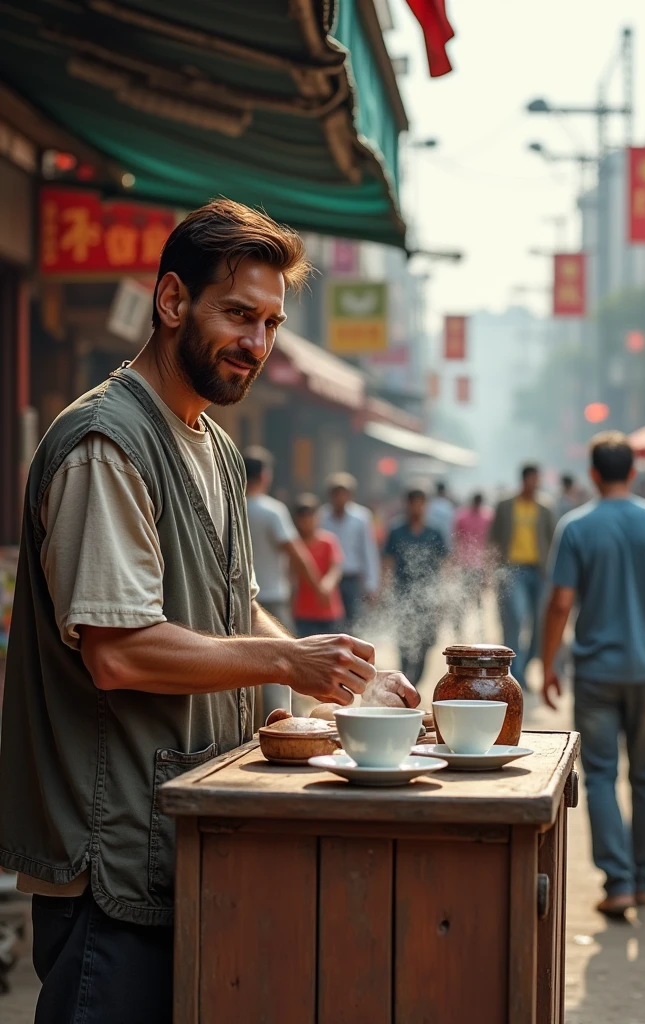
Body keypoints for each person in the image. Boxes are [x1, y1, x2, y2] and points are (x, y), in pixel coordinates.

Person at [0, 198, 418, 1024]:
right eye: (237, 314)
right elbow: (118, 653)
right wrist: (287, 663)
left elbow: (236, 615)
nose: (255, 345)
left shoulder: (215, 447)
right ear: (171, 302)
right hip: (110, 857)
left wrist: (339, 677)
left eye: (269, 323)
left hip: (185, 836)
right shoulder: (106, 445)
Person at [541, 432, 645, 918]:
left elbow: (561, 602)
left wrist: (547, 663)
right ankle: (644, 879)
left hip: (597, 674)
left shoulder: (576, 527)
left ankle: (618, 881)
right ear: (632, 472)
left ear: (595, 474)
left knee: (601, 774)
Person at [243, 445, 325, 718]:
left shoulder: (232, 506)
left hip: (240, 600)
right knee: (281, 662)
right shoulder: (272, 510)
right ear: (265, 476)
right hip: (272, 599)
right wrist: (318, 588)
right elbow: (297, 554)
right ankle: (279, 722)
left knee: (243, 663)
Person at [490, 464, 555, 689]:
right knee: (515, 618)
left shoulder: (545, 508)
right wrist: (493, 571)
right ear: (524, 480)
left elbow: (551, 539)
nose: (535, 484)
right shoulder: (506, 505)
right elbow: (494, 539)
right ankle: (514, 674)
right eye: (532, 479)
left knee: (539, 623)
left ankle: (524, 668)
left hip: (539, 570)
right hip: (512, 569)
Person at [383, 488, 448, 687]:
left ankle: (415, 681)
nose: (416, 508)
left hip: (429, 596)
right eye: (413, 503)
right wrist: (385, 592)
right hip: (402, 594)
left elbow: (445, 565)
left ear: (425, 505)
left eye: (420, 503)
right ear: (407, 505)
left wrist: (443, 596)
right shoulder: (396, 531)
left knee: (426, 642)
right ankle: (405, 680)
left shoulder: (435, 532)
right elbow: (387, 563)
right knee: (404, 641)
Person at [320, 473, 380, 631]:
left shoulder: (361, 517)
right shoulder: (322, 516)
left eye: (343, 494)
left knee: (352, 623)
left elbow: (368, 551)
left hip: (351, 578)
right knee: (330, 624)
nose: (339, 498)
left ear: (350, 495)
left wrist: (371, 584)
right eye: (336, 494)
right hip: (328, 580)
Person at [292, 494, 344, 637]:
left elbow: (336, 568)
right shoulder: (294, 544)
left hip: (328, 608)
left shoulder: (328, 541)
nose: (307, 522)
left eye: (310, 516)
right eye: (303, 518)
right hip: (303, 610)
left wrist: (327, 585)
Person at [453, 492, 494, 627]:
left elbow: (456, 538)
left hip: (472, 563)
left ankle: (471, 626)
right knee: (472, 597)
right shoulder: (487, 516)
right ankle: (474, 626)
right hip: (472, 563)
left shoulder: (463, 515)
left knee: (471, 597)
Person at [427, 480, 455, 548]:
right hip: (445, 537)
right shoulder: (449, 505)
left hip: (432, 538)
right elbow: (452, 524)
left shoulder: (431, 504)